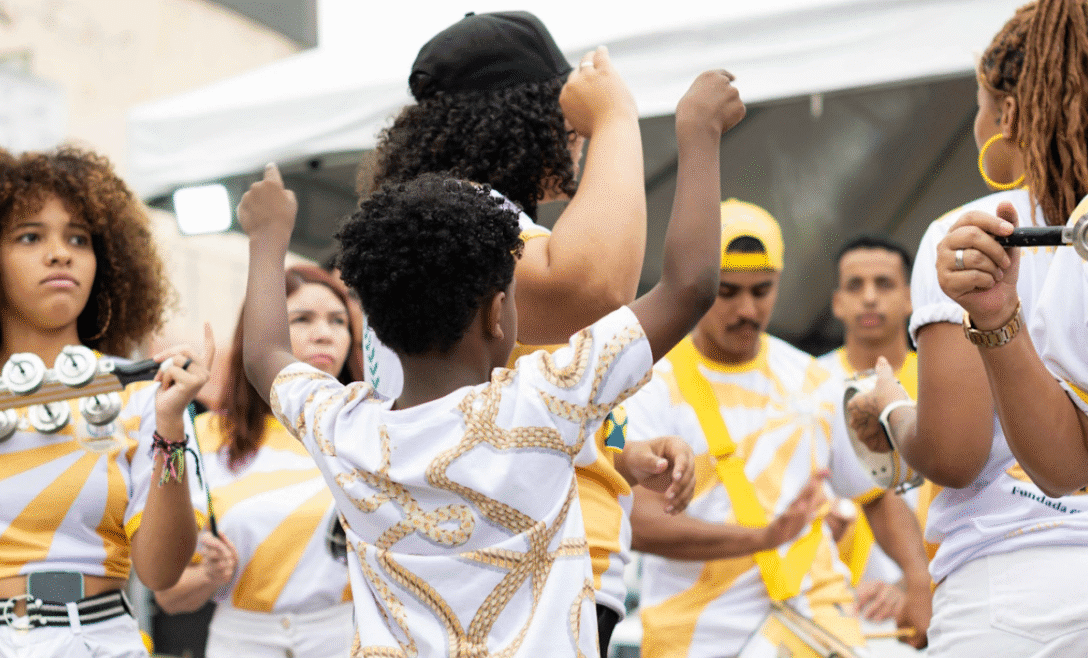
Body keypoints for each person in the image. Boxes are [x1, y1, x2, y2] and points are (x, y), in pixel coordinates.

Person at [235, 66, 743, 657]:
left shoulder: (344, 429)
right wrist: (698, 134)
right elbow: (689, 288)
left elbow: (263, 354)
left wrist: (267, 240)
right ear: (498, 312)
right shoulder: (543, 401)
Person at [359, 15, 661, 649]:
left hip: (493, 564)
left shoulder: (437, 221)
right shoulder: (465, 224)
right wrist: (616, 118)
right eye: (564, 112)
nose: (575, 131)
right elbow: (596, 289)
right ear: (519, 118)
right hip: (522, 577)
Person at [847, 1, 1088, 654]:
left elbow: (955, 456)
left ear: (1007, 114)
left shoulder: (970, 233)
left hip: (1011, 587)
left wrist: (890, 407)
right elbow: (1068, 461)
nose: (975, 119)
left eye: (977, 101)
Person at [0, 147, 210, 657]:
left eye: (79, 238)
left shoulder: (144, 397)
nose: (61, 253)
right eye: (30, 236)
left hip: (95, 638)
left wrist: (170, 430)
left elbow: (161, 570)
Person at [625, 200, 931, 658]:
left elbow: (875, 497)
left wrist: (918, 581)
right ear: (700, 286)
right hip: (697, 636)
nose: (747, 308)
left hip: (816, 628)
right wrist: (761, 539)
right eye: (726, 291)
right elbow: (639, 523)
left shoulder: (813, 379)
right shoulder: (653, 383)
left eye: (761, 290)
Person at [154, 263, 361, 658]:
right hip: (241, 638)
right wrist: (208, 574)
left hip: (344, 633)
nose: (325, 333)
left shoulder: (367, 428)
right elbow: (168, 596)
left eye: (339, 321)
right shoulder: (204, 437)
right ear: (259, 334)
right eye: (302, 319)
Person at [817, 235, 935, 622]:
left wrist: (916, 584)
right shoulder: (805, 384)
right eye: (855, 285)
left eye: (884, 284)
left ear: (910, 297)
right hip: (834, 613)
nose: (869, 298)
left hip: (941, 598)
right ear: (837, 302)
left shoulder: (946, 381)